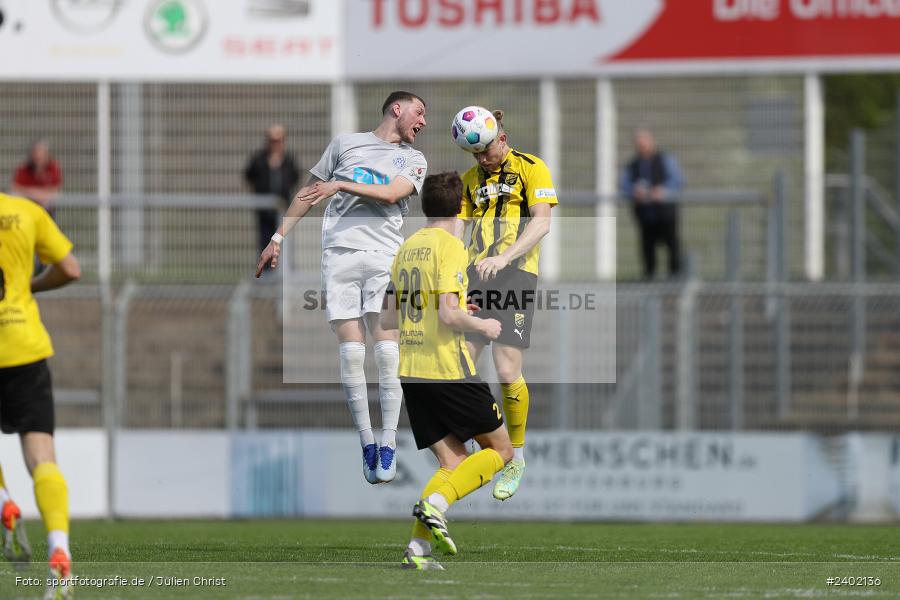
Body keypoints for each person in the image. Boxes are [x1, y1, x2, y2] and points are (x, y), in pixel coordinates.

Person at [255, 91, 428, 485]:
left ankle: (389, 442)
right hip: (340, 255)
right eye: (419, 112)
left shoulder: (414, 159)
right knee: (352, 352)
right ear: (397, 109)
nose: (423, 121)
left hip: (386, 256)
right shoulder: (344, 144)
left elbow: (392, 193)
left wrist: (342, 185)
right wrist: (277, 239)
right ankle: (367, 442)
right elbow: (308, 194)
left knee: (387, 349)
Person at [380, 171, 513, 570]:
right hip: (447, 367)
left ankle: (417, 550)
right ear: (460, 208)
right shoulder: (452, 246)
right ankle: (437, 504)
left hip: (412, 371)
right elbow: (449, 315)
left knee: (452, 463)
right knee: (501, 451)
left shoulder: (406, 248)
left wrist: (452, 311)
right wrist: (483, 325)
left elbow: (388, 318)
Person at [454, 110, 557, 502]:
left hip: (516, 275)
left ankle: (516, 457)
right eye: (474, 154)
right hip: (475, 277)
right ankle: (480, 441)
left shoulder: (532, 168)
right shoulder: (470, 180)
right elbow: (457, 230)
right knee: (460, 364)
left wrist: (505, 257)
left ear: (502, 137)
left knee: (506, 369)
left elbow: (542, 223)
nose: (482, 159)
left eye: (485, 151)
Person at [0, 192, 81, 597]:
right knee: (42, 457)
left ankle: (3, 502)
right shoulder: (26, 211)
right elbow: (70, 269)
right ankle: (59, 549)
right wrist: (30, 286)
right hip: (24, 347)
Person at [620, 128, 684, 279]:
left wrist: (663, 191)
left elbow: (678, 180)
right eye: (639, 143)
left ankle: (675, 281)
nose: (642, 146)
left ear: (652, 142)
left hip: (666, 214)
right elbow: (624, 185)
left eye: (644, 142)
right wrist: (634, 191)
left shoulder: (665, 160)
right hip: (645, 216)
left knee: (672, 247)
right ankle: (650, 281)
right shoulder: (633, 165)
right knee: (648, 251)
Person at [244, 124, 301, 252]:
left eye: (278, 141)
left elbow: (295, 177)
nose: (275, 144)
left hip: (284, 210)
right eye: (272, 141)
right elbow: (250, 175)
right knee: (265, 242)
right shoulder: (259, 159)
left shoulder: (289, 160)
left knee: (284, 244)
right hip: (264, 211)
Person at [11, 140, 63, 214]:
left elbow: (55, 190)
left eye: (42, 154)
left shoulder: (53, 168)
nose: (39, 157)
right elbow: (15, 187)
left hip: (45, 202)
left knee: (54, 198)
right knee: (14, 195)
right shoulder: (24, 168)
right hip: (27, 202)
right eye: (36, 153)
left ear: (47, 155)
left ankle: (46, 218)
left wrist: (36, 194)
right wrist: (34, 194)